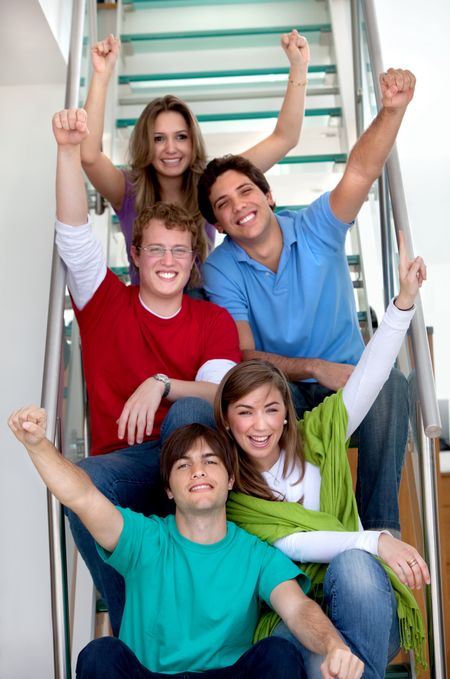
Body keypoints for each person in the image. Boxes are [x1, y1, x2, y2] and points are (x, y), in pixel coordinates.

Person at [199, 67, 417, 536]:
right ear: (219, 224)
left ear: (268, 194)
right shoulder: (220, 268)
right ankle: (295, 530)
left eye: (245, 191)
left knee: (395, 386)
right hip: (286, 394)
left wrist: (392, 111)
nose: (238, 205)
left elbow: (361, 170)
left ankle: (380, 531)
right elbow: (244, 355)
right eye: (223, 204)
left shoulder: (316, 227)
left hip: (350, 389)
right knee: (257, 405)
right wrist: (316, 368)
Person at [52, 108, 241, 635]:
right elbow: (72, 234)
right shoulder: (104, 302)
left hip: (194, 467)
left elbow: (220, 390)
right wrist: (69, 151)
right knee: (79, 482)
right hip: (127, 469)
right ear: (135, 254)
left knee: (189, 407)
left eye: (179, 251)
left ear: (194, 259)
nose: (167, 259)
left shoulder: (212, 319)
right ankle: (133, 623)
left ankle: (190, 581)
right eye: (155, 248)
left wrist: (160, 382)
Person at [213, 232, 429, 678]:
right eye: (246, 412)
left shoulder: (317, 437)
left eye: (272, 410)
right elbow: (295, 543)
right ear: (228, 421)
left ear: (288, 416)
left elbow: (370, 378)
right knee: (312, 656)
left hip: (365, 602)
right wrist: (376, 539)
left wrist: (403, 303)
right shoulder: (232, 492)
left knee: (353, 566)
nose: (260, 425)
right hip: (295, 621)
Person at [8, 414, 365, 679]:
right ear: (168, 489)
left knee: (280, 655)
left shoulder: (256, 553)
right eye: (183, 464)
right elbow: (82, 497)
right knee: (100, 655)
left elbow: (299, 609)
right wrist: (38, 445)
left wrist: (334, 646)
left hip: (227, 675)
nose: (198, 470)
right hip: (149, 675)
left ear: (229, 479)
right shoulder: (144, 539)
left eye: (210, 461)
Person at [80, 31, 310, 285]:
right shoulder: (127, 189)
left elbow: (285, 138)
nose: (171, 148)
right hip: (144, 313)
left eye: (181, 137)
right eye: (158, 139)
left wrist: (299, 68)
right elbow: (89, 156)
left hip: (202, 310)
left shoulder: (214, 184)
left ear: (193, 141)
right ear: (146, 143)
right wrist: (101, 76)